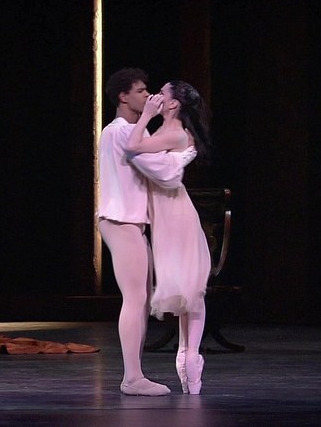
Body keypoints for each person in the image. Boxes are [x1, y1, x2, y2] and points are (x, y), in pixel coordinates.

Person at [124, 80, 214, 395]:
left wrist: (146, 115)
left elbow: (133, 146)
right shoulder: (166, 132)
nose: (155, 96)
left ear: (174, 104)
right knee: (184, 291)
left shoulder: (174, 133)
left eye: (162, 93)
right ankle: (188, 357)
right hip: (167, 215)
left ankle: (191, 356)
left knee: (191, 289)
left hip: (177, 216)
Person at [98, 68, 180, 396]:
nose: (148, 96)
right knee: (134, 298)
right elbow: (156, 163)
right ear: (123, 96)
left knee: (142, 300)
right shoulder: (119, 131)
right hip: (120, 220)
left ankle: (135, 374)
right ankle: (132, 378)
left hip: (132, 222)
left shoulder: (133, 131)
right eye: (141, 91)